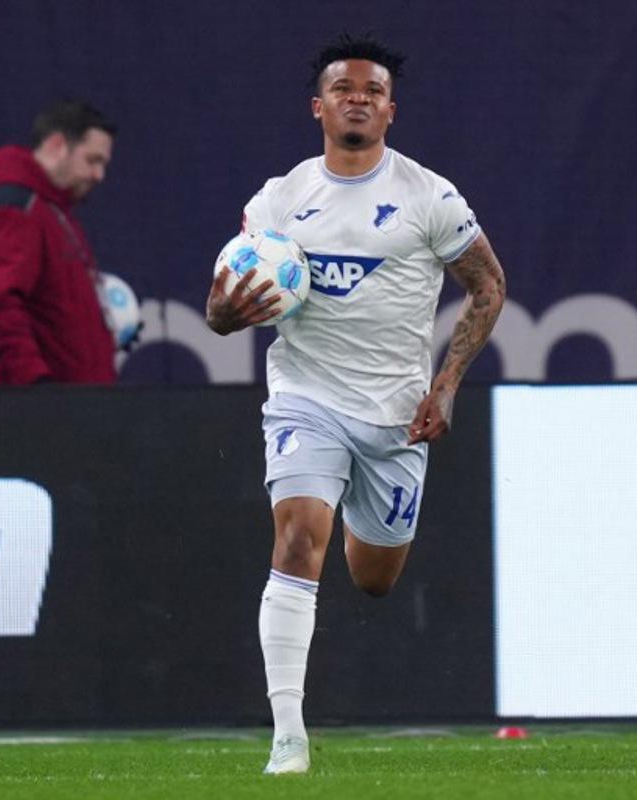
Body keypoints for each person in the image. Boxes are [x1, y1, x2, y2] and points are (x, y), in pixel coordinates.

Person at [206, 35, 506, 774]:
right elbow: (224, 303)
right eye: (344, 88)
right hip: (306, 396)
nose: (358, 98)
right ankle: (287, 733)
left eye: (372, 90)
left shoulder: (428, 198)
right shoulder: (279, 201)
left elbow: (489, 286)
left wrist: (445, 385)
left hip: (396, 414)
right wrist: (221, 313)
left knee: (374, 578)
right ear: (319, 106)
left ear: (390, 111)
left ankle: (357, 515)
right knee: (298, 540)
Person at [0, 99, 118, 385]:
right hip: (25, 418)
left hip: (64, 412)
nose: (99, 175)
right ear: (57, 145)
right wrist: (36, 386)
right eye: (92, 160)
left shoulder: (53, 213)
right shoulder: (15, 210)